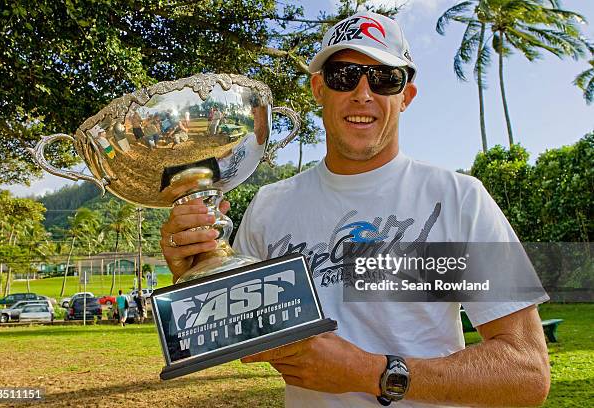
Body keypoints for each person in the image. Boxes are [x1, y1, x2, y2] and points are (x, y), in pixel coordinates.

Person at [160, 12, 550, 408]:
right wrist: (194, 268)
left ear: (406, 96)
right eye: (344, 75)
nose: (363, 93)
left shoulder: (457, 199)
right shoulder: (270, 206)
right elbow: (229, 328)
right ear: (318, 88)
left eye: (383, 78)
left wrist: (371, 373)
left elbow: (527, 372)